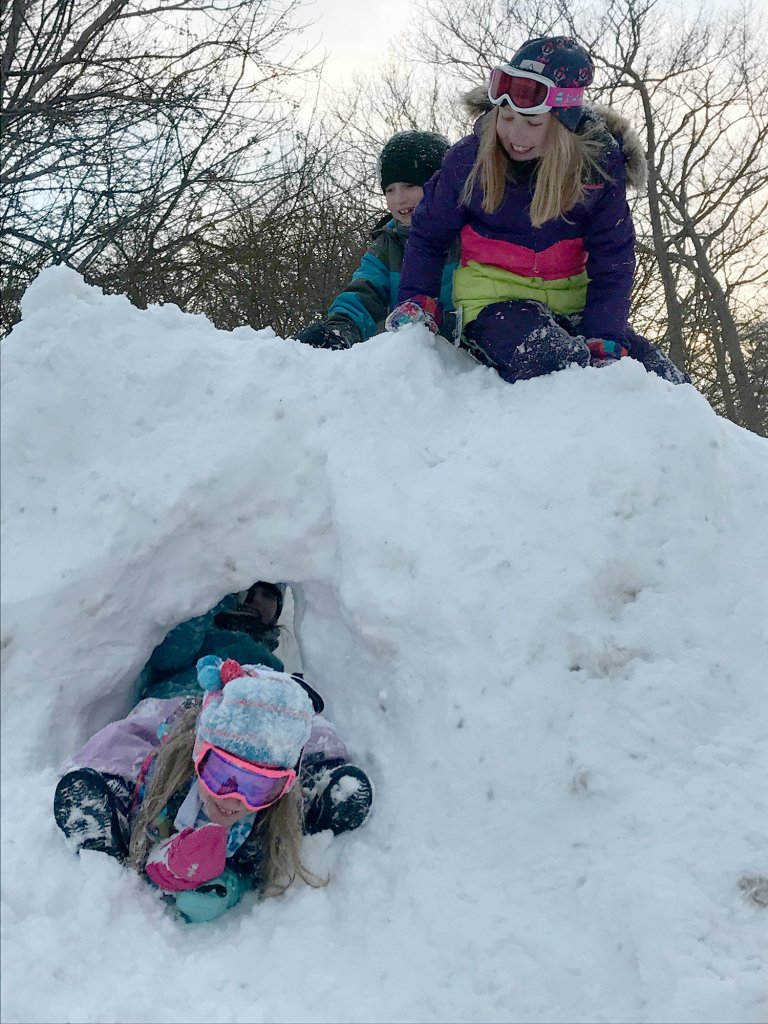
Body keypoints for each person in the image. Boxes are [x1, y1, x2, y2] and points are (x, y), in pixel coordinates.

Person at [385, 36, 690, 386]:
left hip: (573, 303)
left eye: (533, 123)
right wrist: (418, 301)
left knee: (660, 380)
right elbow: (429, 233)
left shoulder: (597, 172)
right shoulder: (469, 161)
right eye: (506, 117)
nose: (515, 134)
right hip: (494, 302)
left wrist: (605, 338)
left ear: (563, 124)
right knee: (553, 359)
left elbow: (613, 261)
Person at [53, 657, 374, 924]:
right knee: (139, 751)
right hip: (181, 690)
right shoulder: (171, 761)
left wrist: (228, 883)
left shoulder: (275, 794)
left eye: (258, 786)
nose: (233, 799)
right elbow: (126, 741)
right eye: (222, 776)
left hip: (264, 696)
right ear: (199, 757)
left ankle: (319, 791)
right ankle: (110, 811)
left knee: (283, 736)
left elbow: (307, 734)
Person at [295, 130, 459, 349]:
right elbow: (365, 292)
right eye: (390, 190)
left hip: (471, 358)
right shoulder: (389, 245)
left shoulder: (467, 236)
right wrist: (342, 326)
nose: (399, 198)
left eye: (410, 185)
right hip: (417, 358)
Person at [137, 581, 300, 701]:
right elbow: (166, 657)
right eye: (246, 591)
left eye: (267, 596)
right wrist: (210, 605)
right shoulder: (201, 631)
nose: (255, 599)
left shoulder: (272, 667)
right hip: (171, 714)